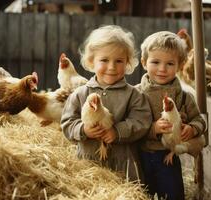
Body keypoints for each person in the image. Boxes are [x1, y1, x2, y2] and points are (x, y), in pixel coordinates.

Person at [61, 25, 152, 182]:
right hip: (88, 164)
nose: (112, 67)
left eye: (119, 61)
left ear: (128, 63)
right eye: (104, 60)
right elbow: (67, 123)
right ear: (91, 62)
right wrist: (83, 130)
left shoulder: (134, 95)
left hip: (122, 164)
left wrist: (117, 131)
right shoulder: (80, 94)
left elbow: (142, 121)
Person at [136, 31, 206, 200]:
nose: (162, 69)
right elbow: (131, 124)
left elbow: (199, 120)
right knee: (142, 195)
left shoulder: (183, 96)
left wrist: (192, 128)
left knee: (173, 194)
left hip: (169, 156)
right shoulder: (136, 94)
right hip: (141, 155)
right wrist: (153, 128)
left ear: (180, 65)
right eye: (155, 62)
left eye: (169, 63)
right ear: (144, 63)